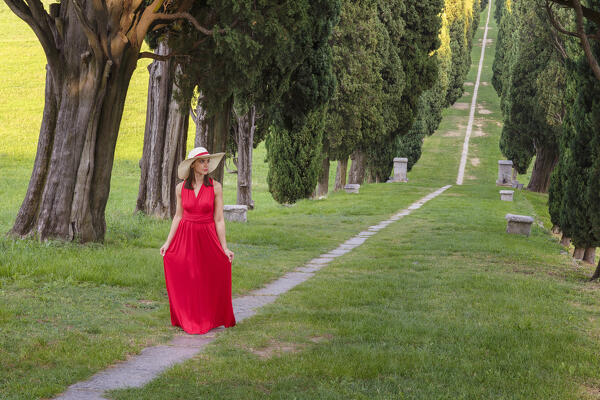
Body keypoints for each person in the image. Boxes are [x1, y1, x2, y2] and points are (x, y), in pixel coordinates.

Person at [160, 147, 236, 334]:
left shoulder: (216, 187)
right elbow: (178, 216)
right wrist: (167, 243)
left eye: (207, 161)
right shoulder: (180, 188)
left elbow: (219, 219)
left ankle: (208, 317)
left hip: (207, 237)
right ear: (193, 165)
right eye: (202, 161)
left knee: (206, 276)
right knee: (189, 276)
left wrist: (224, 247)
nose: (206, 165)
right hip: (186, 237)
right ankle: (187, 317)